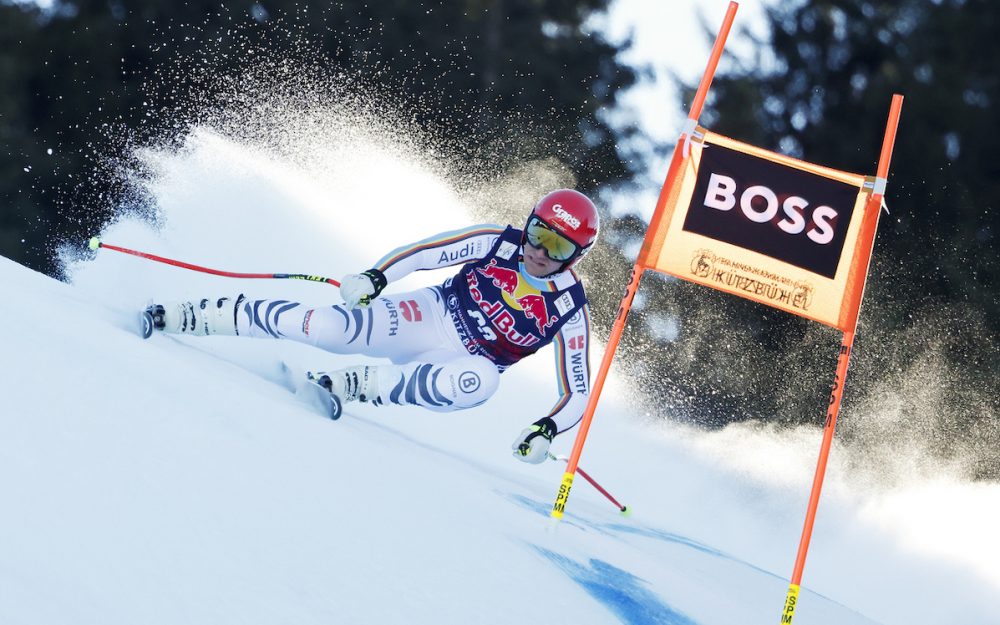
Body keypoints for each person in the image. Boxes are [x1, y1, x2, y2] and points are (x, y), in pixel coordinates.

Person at [144, 189, 598, 464]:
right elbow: (424, 253)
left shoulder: (569, 307)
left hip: (462, 363)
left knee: (480, 383)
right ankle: (204, 314)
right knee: (325, 328)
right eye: (538, 233)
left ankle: (352, 386)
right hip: (431, 315)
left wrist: (546, 430)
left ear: (577, 254)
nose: (540, 251)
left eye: (557, 245)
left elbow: (578, 392)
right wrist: (376, 277)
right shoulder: (497, 241)